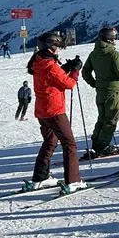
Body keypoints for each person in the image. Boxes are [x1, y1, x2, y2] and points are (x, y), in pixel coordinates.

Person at [25, 32, 86, 193]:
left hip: (42, 111)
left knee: (50, 142)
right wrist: (75, 71)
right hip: (54, 111)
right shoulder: (51, 65)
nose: (59, 49)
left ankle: (40, 177)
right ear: (51, 48)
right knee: (70, 144)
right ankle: (73, 181)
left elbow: (53, 76)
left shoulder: (39, 61)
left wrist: (66, 67)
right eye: (58, 46)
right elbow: (68, 84)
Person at [81, 26, 119, 156]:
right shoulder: (113, 54)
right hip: (113, 92)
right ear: (111, 39)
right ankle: (104, 146)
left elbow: (85, 72)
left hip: (100, 92)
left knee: (102, 118)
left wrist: (94, 84)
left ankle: (96, 143)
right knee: (111, 119)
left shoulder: (94, 53)